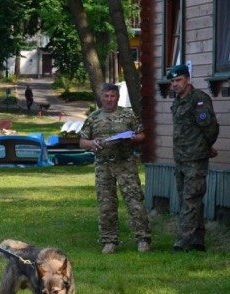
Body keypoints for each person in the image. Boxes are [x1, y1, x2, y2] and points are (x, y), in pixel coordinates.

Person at [79, 83, 151, 254]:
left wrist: (133, 138)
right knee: (106, 204)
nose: (109, 99)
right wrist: (92, 143)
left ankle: (143, 239)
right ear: (101, 97)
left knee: (134, 202)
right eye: (106, 96)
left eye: (112, 96)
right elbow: (82, 142)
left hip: (125, 164)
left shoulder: (128, 114)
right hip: (103, 167)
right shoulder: (93, 117)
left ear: (117, 97)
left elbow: (142, 135)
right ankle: (109, 240)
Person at [167, 64, 219, 252]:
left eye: (179, 80)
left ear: (188, 80)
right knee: (188, 199)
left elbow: (210, 128)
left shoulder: (199, 99)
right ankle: (198, 240)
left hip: (195, 159)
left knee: (190, 199)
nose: (175, 84)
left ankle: (182, 242)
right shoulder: (178, 101)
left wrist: (205, 147)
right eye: (172, 81)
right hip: (181, 159)